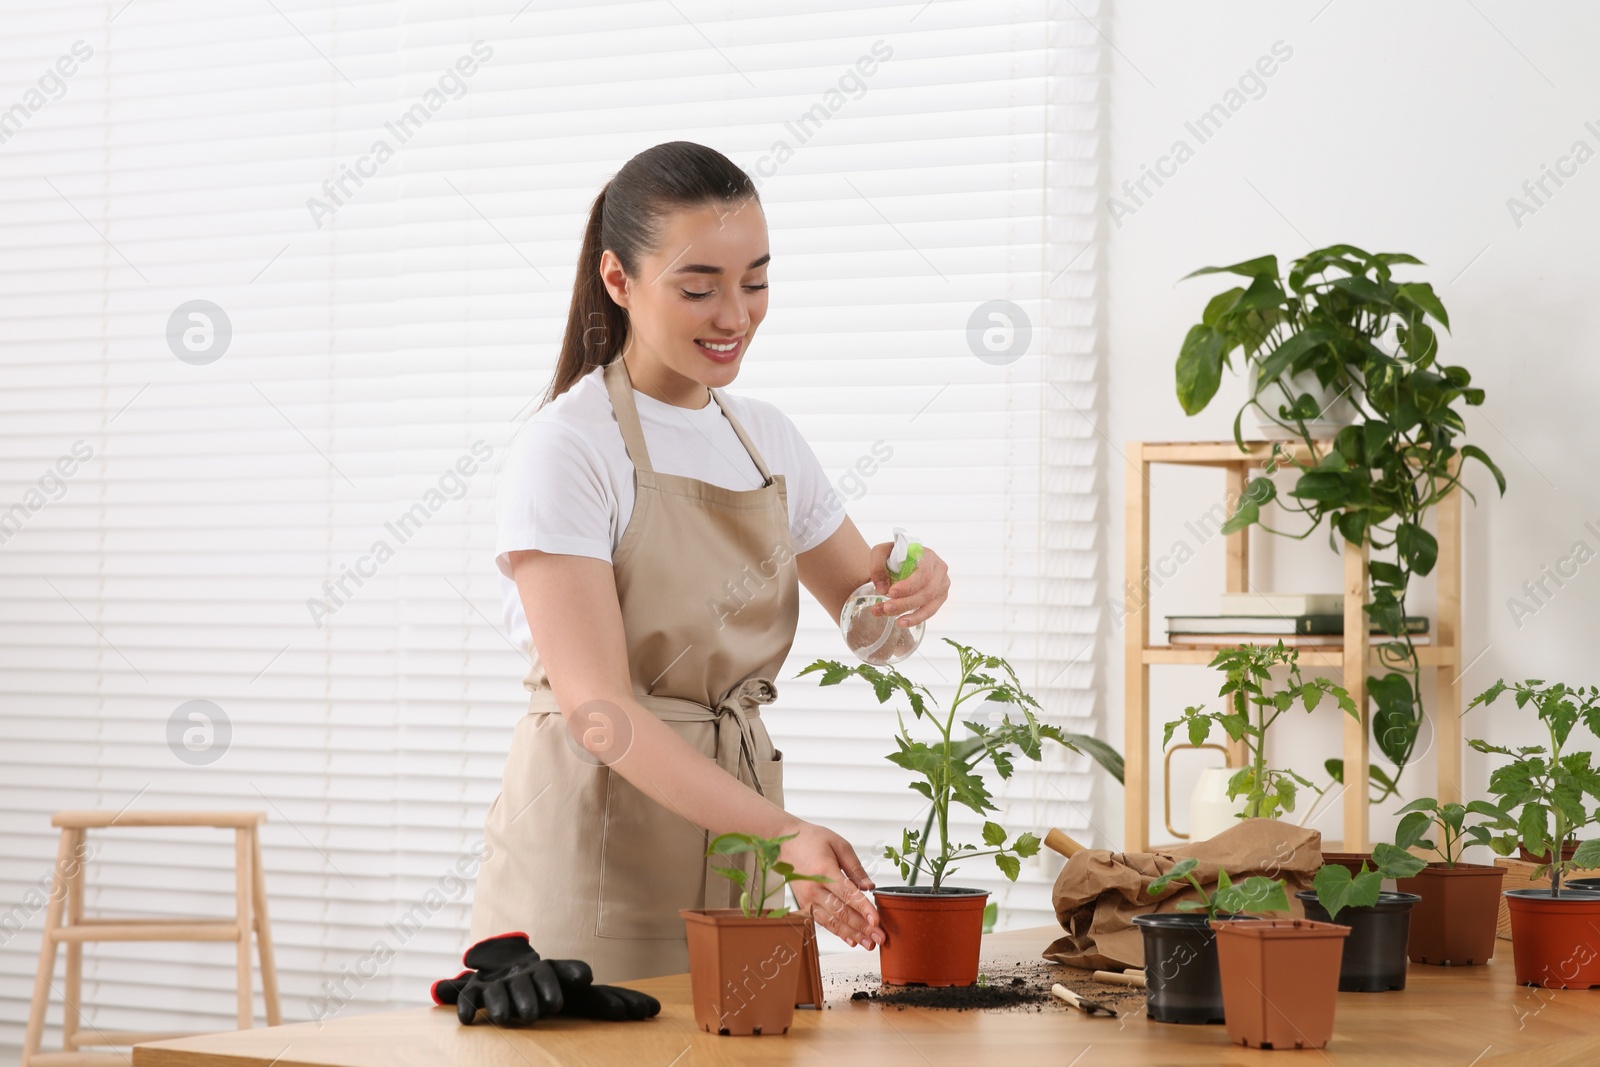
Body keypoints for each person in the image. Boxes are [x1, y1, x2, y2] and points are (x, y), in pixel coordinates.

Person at [467, 141, 951, 983]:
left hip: (738, 850)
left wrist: (909, 587)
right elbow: (600, 711)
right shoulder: (570, 448)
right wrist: (780, 830)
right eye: (699, 287)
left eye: (755, 282)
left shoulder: (765, 439)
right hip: (593, 855)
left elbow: (870, 630)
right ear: (618, 280)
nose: (734, 314)